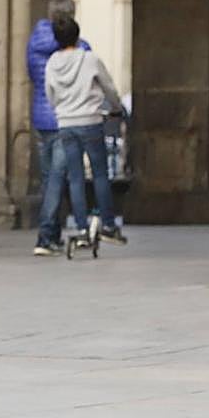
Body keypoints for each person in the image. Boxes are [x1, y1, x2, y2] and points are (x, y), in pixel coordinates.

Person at [39, 15, 127, 251]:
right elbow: (108, 87)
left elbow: (50, 93)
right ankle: (108, 224)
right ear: (77, 35)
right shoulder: (90, 59)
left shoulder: (52, 63)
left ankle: (80, 228)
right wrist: (116, 108)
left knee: (75, 177)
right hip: (90, 120)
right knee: (99, 174)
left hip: (66, 123)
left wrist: (62, 109)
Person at [27, 0, 90, 254]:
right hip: (66, 117)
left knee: (48, 178)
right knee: (57, 178)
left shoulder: (34, 43)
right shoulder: (80, 48)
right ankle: (45, 236)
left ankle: (52, 233)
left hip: (42, 116)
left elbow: (32, 75)